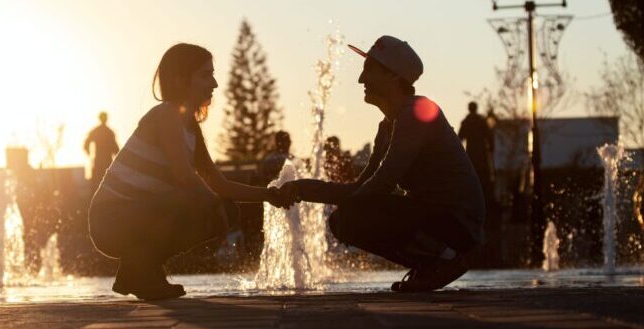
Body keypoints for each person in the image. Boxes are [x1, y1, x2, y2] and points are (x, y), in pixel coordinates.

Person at [280, 36, 485, 292]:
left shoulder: (417, 113)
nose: (361, 79)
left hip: (458, 224)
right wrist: (302, 189)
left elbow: (382, 183)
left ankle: (448, 258)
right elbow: (362, 187)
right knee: (343, 220)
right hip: (433, 215)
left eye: (369, 70)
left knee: (352, 215)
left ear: (392, 77)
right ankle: (431, 263)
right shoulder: (387, 127)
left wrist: (322, 194)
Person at [88, 43, 292, 300]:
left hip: (137, 214)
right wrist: (213, 206)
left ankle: (138, 270)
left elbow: (219, 184)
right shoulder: (165, 115)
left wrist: (269, 195)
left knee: (228, 209)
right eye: (206, 75)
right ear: (180, 79)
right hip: (111, 219)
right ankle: (141, 270)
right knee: (200, 202)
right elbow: (185, 177)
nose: (215, 83)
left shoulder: (189, 127)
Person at [458, 102, 495, 202]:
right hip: (481, 152)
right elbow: (489, 136)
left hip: (472, 152)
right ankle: (485, 199)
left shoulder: (466, 121)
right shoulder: (481, 121)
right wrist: (491, 148)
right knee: (483, 177)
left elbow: (459, 139)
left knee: (473, 176)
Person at [84, 112, 120, 191]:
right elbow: (116, 148)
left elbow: (86, 142)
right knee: (103, 181)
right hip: (104, 160)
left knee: (98, 182)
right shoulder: (109, 132)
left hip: (102, 160)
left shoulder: (98, 131)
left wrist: (87, 151)